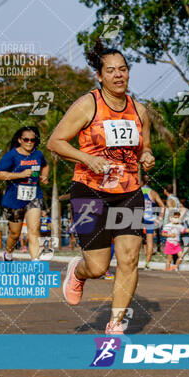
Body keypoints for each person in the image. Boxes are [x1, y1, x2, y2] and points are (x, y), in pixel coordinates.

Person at [47, 39, 155, 334]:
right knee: (97, 267)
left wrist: (146, 154)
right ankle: (77, 271)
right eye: (111, 71)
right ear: (99, 75)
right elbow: (55, 141)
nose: (118, 75)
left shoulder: (138, 109)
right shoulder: (87, 104)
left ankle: (115, 323)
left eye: (123, 69)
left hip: (129, 192)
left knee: (130, 258)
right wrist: (86, 158)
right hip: (90, 191)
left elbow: (144, 145)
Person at [0, 126, 49, 261]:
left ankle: (35, 264)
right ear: (20, 140)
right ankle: (8, 254)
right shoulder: (11, 155)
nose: (29, 142)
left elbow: (45, 166)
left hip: (34, 196)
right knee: (15, 234)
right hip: (14, 199)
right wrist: (20, 174)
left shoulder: (38, 154)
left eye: (33, 140)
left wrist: (44, 176)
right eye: (26, 139)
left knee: (34, 231)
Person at [140, 175, 165, 269]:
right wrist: (160, 218)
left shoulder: (138, 191)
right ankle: (147, 264)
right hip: (150, 220)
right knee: (150, 242)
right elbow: (163, 206)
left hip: (139, 219)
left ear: (142, 182)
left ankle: (133, 263)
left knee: (137, 241)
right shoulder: (153, 193)